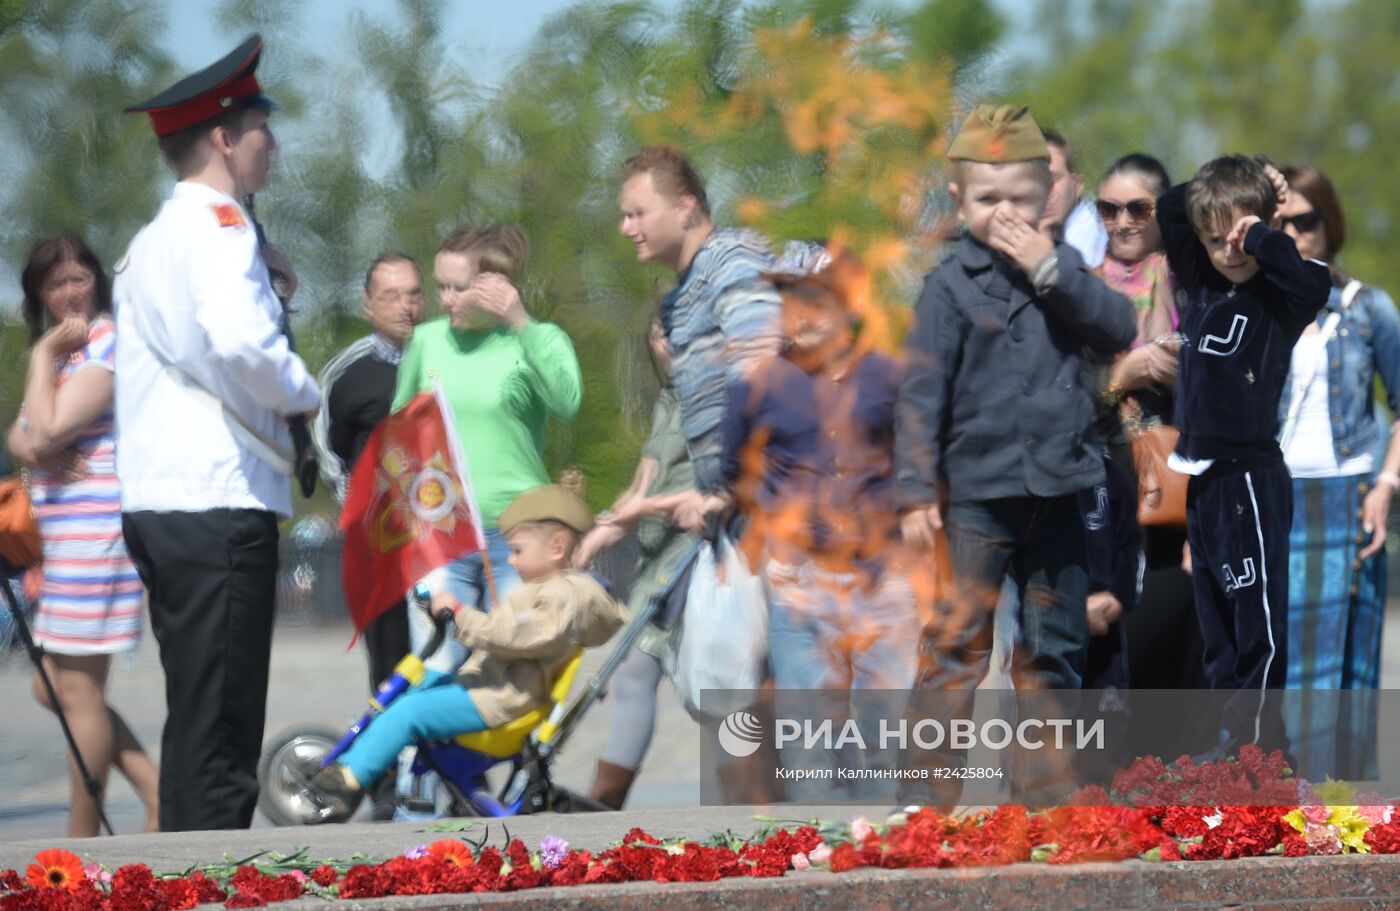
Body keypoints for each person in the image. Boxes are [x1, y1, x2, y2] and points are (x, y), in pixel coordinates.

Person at [894, 105, 1135, 804]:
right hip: (973, 498)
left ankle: (1045, 799)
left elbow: (1117, 325)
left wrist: (1049, 269)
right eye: (987, 199)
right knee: (953, 646)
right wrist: (914, 491)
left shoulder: (1068, 272)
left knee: (1052, 650)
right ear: (958, 201)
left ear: (1051, 198)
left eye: (1020, 199)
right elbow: (919, 394)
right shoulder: (948, 286)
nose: (1004, 213)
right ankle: (924, 801)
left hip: (1058, 494)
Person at [114, 35, 322, 831]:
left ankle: (179, 880)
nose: (273, 142)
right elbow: (240, 345)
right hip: (218, 501)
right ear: (224, 138)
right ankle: (206, 886)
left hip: (170, 503)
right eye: (263, 125)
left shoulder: (154, 240)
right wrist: (303, 395)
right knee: (222, 738)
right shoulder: (219, 226)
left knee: (198, 719)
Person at [310, 485, 626, 816]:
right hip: (498, 693)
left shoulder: (560, 597)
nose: (512, 560)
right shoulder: (550, 592)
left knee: (410, 711)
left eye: (518, 550)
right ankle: (381, 763)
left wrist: (462, 614)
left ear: (557, 547)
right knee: (425, 683)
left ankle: (350, 777)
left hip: (502, 702)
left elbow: (517, 636)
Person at [1156, 155, 1331, 753]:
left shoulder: (1281, 294)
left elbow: (1310, 282)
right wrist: (1242, 179)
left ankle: (1256, 751)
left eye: (1240, 240)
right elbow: (1169, 209)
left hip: (1251, 480)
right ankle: (1238, 743)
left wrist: (1261, 228)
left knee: (1255, 622)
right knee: (1219, 627)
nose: (1228, 251)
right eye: (1215, 239)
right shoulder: (1201, 281)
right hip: (1204, 481)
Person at [4, 235, 159, 836]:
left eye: (79, 278)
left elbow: (46, 427)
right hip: (65, 538)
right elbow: (21, 438)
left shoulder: (106, 341)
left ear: (97, 279)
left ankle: (81, 844)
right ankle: (153, 791)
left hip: (98, 534)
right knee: (55, 689)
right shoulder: (70, 353)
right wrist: (39, 435)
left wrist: (41, 359)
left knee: (80, 692)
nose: (71, 292)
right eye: (56, 283)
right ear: (39, 293)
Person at [392, 226, 582, 674]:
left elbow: (568, 403)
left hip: (519, 537)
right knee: (437, 668)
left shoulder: (538, 339)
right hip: (442, 533)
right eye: (441, 286)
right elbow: (397, 433)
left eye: (458, 288)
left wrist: (520, 321)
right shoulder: (427, 342)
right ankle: (427, 747)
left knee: (515, 676)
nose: (445, 299)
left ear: (495, 286)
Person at [1276, 163, 1400, 779]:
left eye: (1307, 220)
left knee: (1341, 659)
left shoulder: (1368, 307)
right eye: (1282, 223)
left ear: (1331, 224)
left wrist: (1385, 485)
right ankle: (1271, 796)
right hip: (1277, 494)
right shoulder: (1257, 306)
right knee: (1280, 655)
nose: (1295, 233)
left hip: (1348, 493)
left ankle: (1339, 807)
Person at [617, 146, 783, 531]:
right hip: (729, 519)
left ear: (685, 208)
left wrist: (733, 487)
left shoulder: (732, 261)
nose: (625, 228)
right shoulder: (677, 302)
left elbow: (763, 370)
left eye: (637, 214)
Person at [1090, 154, 1207, 696]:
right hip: (1103, 496)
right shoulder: (1079, 290)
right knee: (1108, 652)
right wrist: (1122, 375)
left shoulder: (1195, 286)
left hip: (1178, 502)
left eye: (1138, 207)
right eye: (1107, 209)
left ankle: (1166, 780)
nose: (1121, 221)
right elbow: (1053, 398)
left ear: (1165, 211)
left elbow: (1225, 401)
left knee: (1171, 655)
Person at [573, 315, 697, 810]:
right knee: (634, 673)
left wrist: (639, 510)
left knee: (648, 670)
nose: (665, 342)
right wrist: (593, 539)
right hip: (657, 551)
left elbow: (722, 483)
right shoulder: (669, 398)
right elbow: (641, 487)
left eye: (675, 330)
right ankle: (605, 803)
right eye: (656, 333)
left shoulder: (714, 394)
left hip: (695, 548)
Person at [311, 253, 424, 690]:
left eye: (413, 293)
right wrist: (359, 506)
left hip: (446, 531)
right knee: (391, 660)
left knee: (452, 651)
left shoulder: (447, 356)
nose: (405, 306)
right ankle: (390, 756)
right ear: (368, 305)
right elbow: (328, 446)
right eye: (390, 296)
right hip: (381, 540)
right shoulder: (347, 372)